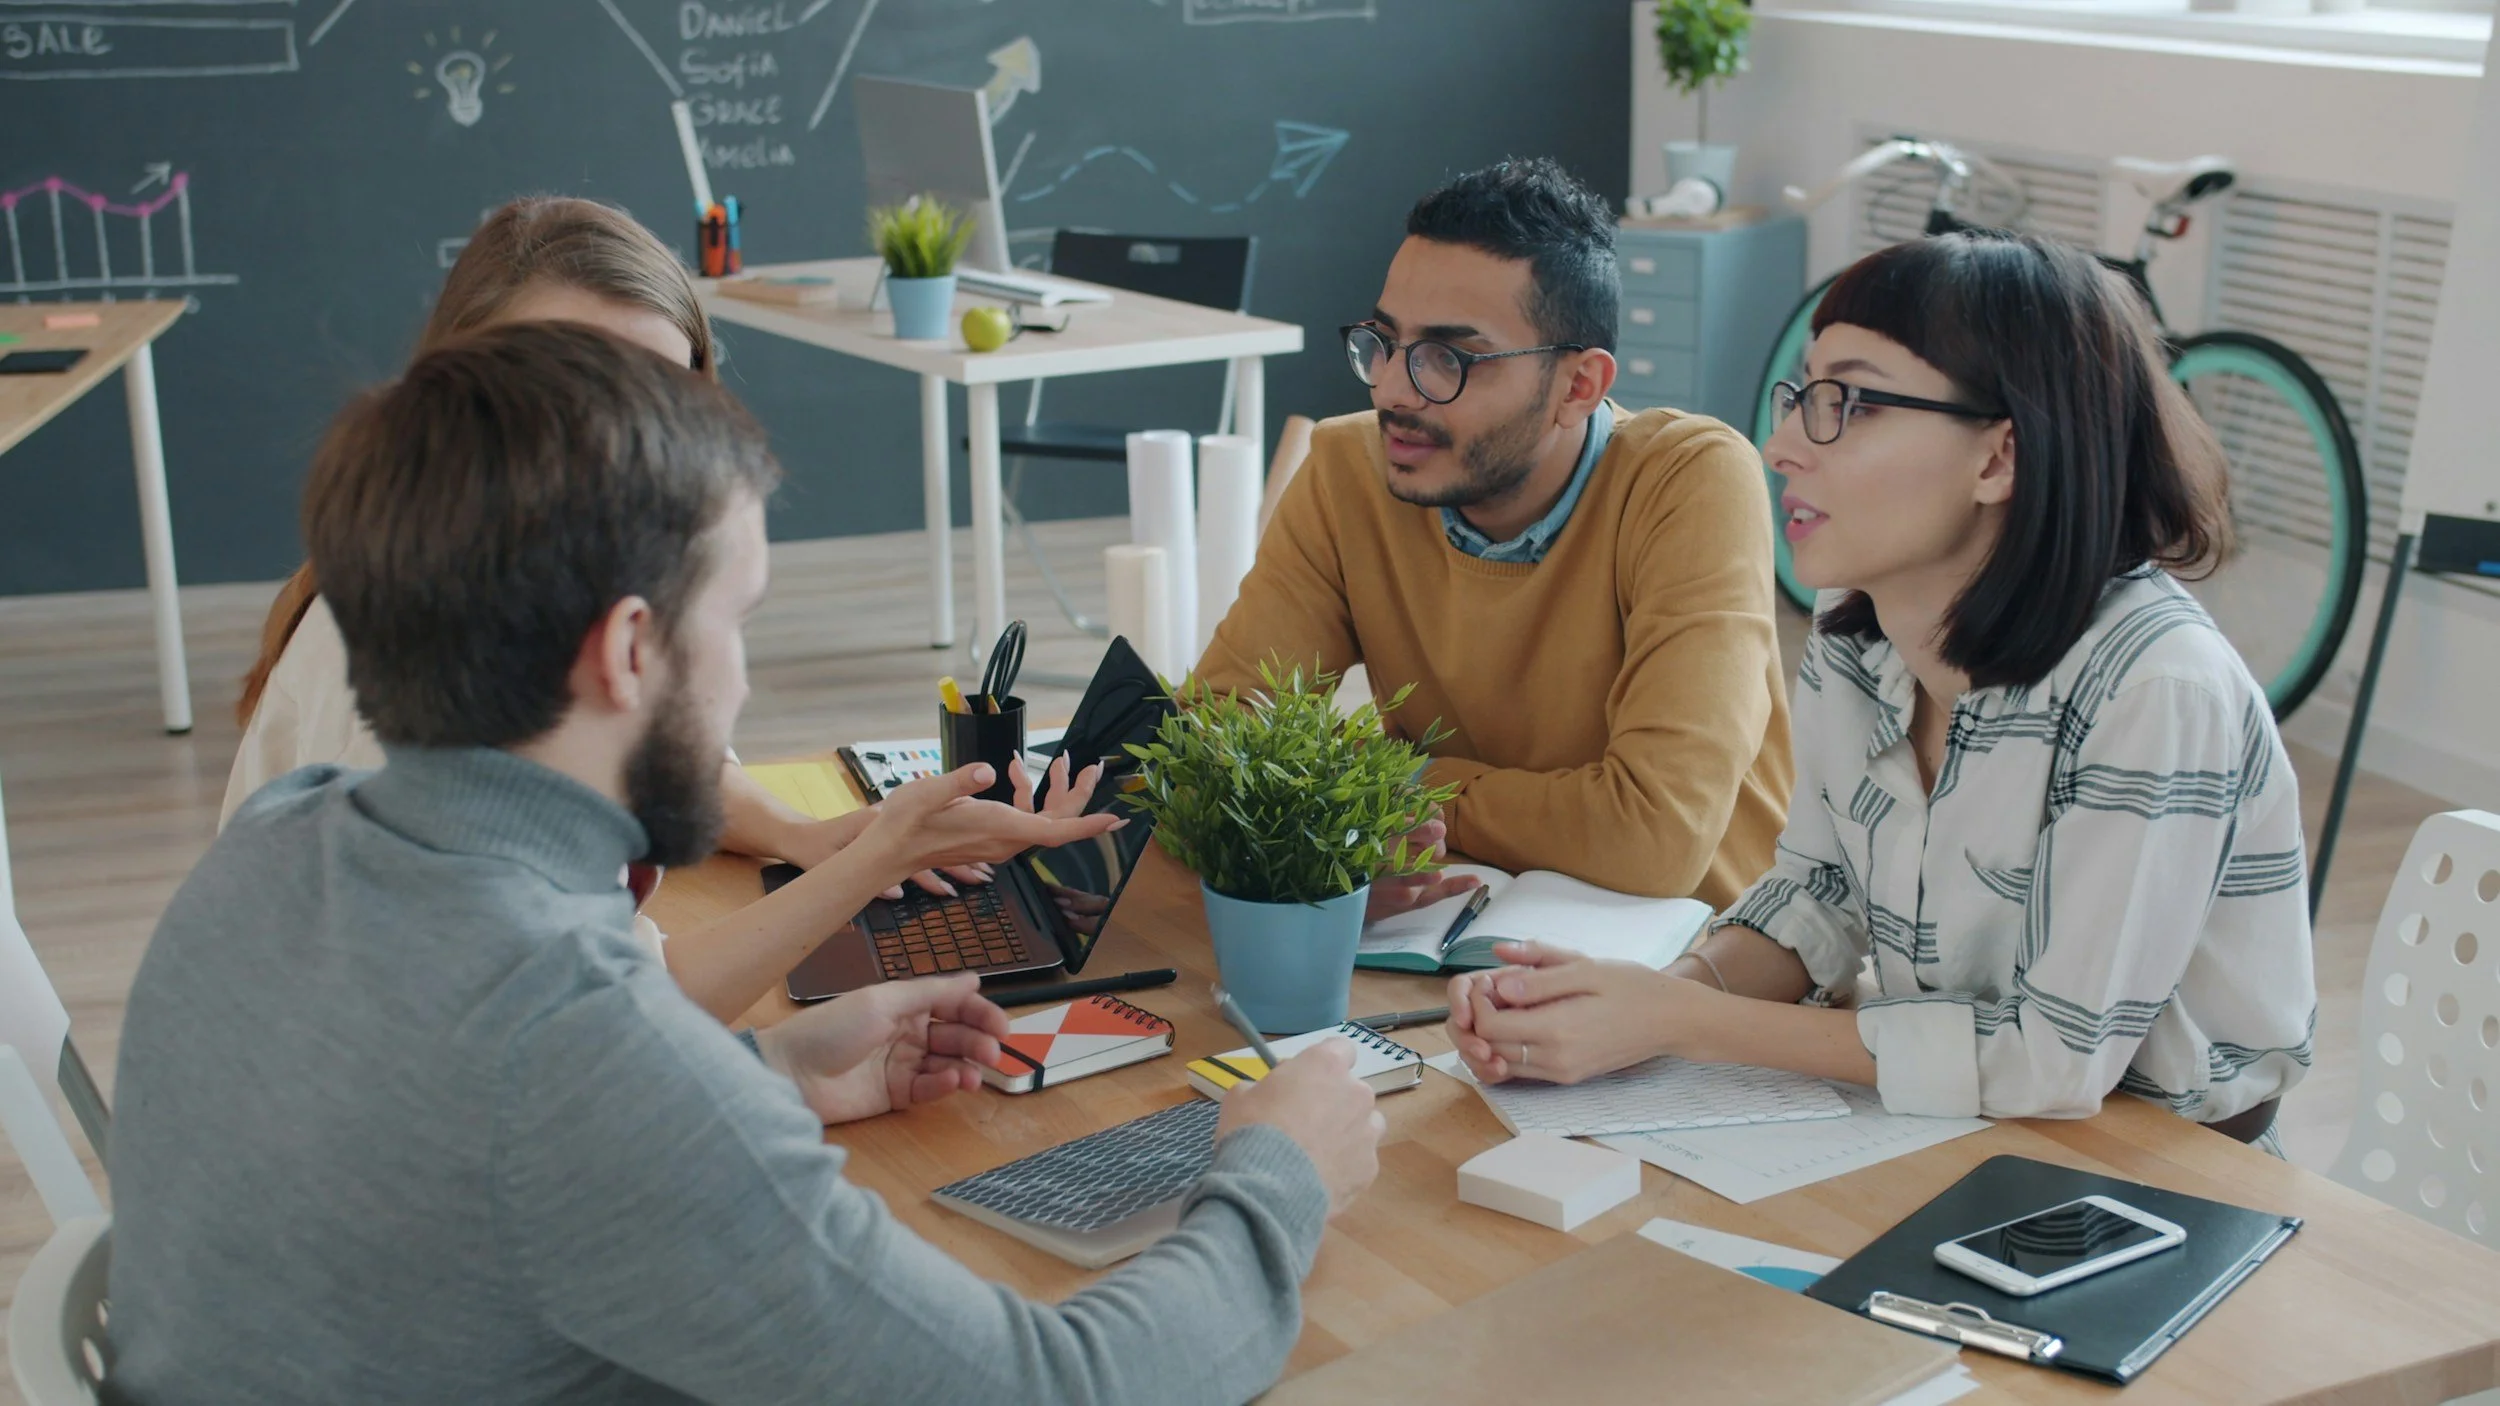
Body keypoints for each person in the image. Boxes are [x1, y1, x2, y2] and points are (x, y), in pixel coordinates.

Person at [108, 322, 1387, 1404]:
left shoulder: (273, 846)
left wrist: (758, 1071)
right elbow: (1057, 1385)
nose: (744, 679)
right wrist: (1280, 1174)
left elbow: (447, 1158)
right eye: (736, 620)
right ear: (626, 652)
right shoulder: (573, 1048)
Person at [1448, 232, 2315, 1141]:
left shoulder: (2157, 688)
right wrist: (1636, 1008)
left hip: (2164, 1159)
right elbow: (1817, 896)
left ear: (1998, 459)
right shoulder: (1860, 625)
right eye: (1803, 394)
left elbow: (2050, 1056)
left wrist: (1683, 1023)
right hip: (1954, 1118)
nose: (1781, 445)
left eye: (1850, 403)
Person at [223, 195, 995, 1020]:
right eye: (568, 392)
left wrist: (801, 835)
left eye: (658, 398)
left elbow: (653, 789)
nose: (622, 440)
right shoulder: (429, 688)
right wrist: (864, 870)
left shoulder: (523, 585)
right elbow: (614, 1013)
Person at [1193, 158, 1791, 908]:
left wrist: (1389, 784)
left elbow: (1654, 837)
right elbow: (1215, 741)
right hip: (1446, 941)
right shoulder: (1350, 467)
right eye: (1383, 342)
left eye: (1450, 357)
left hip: (1693, 965)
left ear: (1580, 386)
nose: (1392, 390)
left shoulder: (1689, 479)